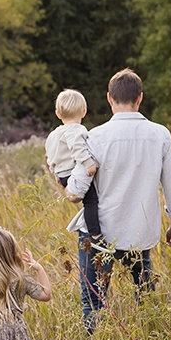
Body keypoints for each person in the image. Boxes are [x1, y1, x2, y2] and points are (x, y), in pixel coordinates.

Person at [64, 69, 171, 333]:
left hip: (98, 233)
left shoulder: (94, 137)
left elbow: (75, 193)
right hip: (139, 232)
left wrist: (61, 180)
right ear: (139, 98)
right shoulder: (160, 135)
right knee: (146, 298)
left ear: (109, 99)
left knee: (93, 302)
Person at [44, 89, 102, 246]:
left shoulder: (53, 135)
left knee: (84, 200)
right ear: (84, 112)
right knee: (91, 201)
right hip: (73, 173)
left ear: (58, 114)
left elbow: (50, 157)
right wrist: (88, 163)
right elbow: (77, 147)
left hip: (63, 176)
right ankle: (95, 233)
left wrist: (57, 176)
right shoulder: (76, 129)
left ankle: (92, 231)